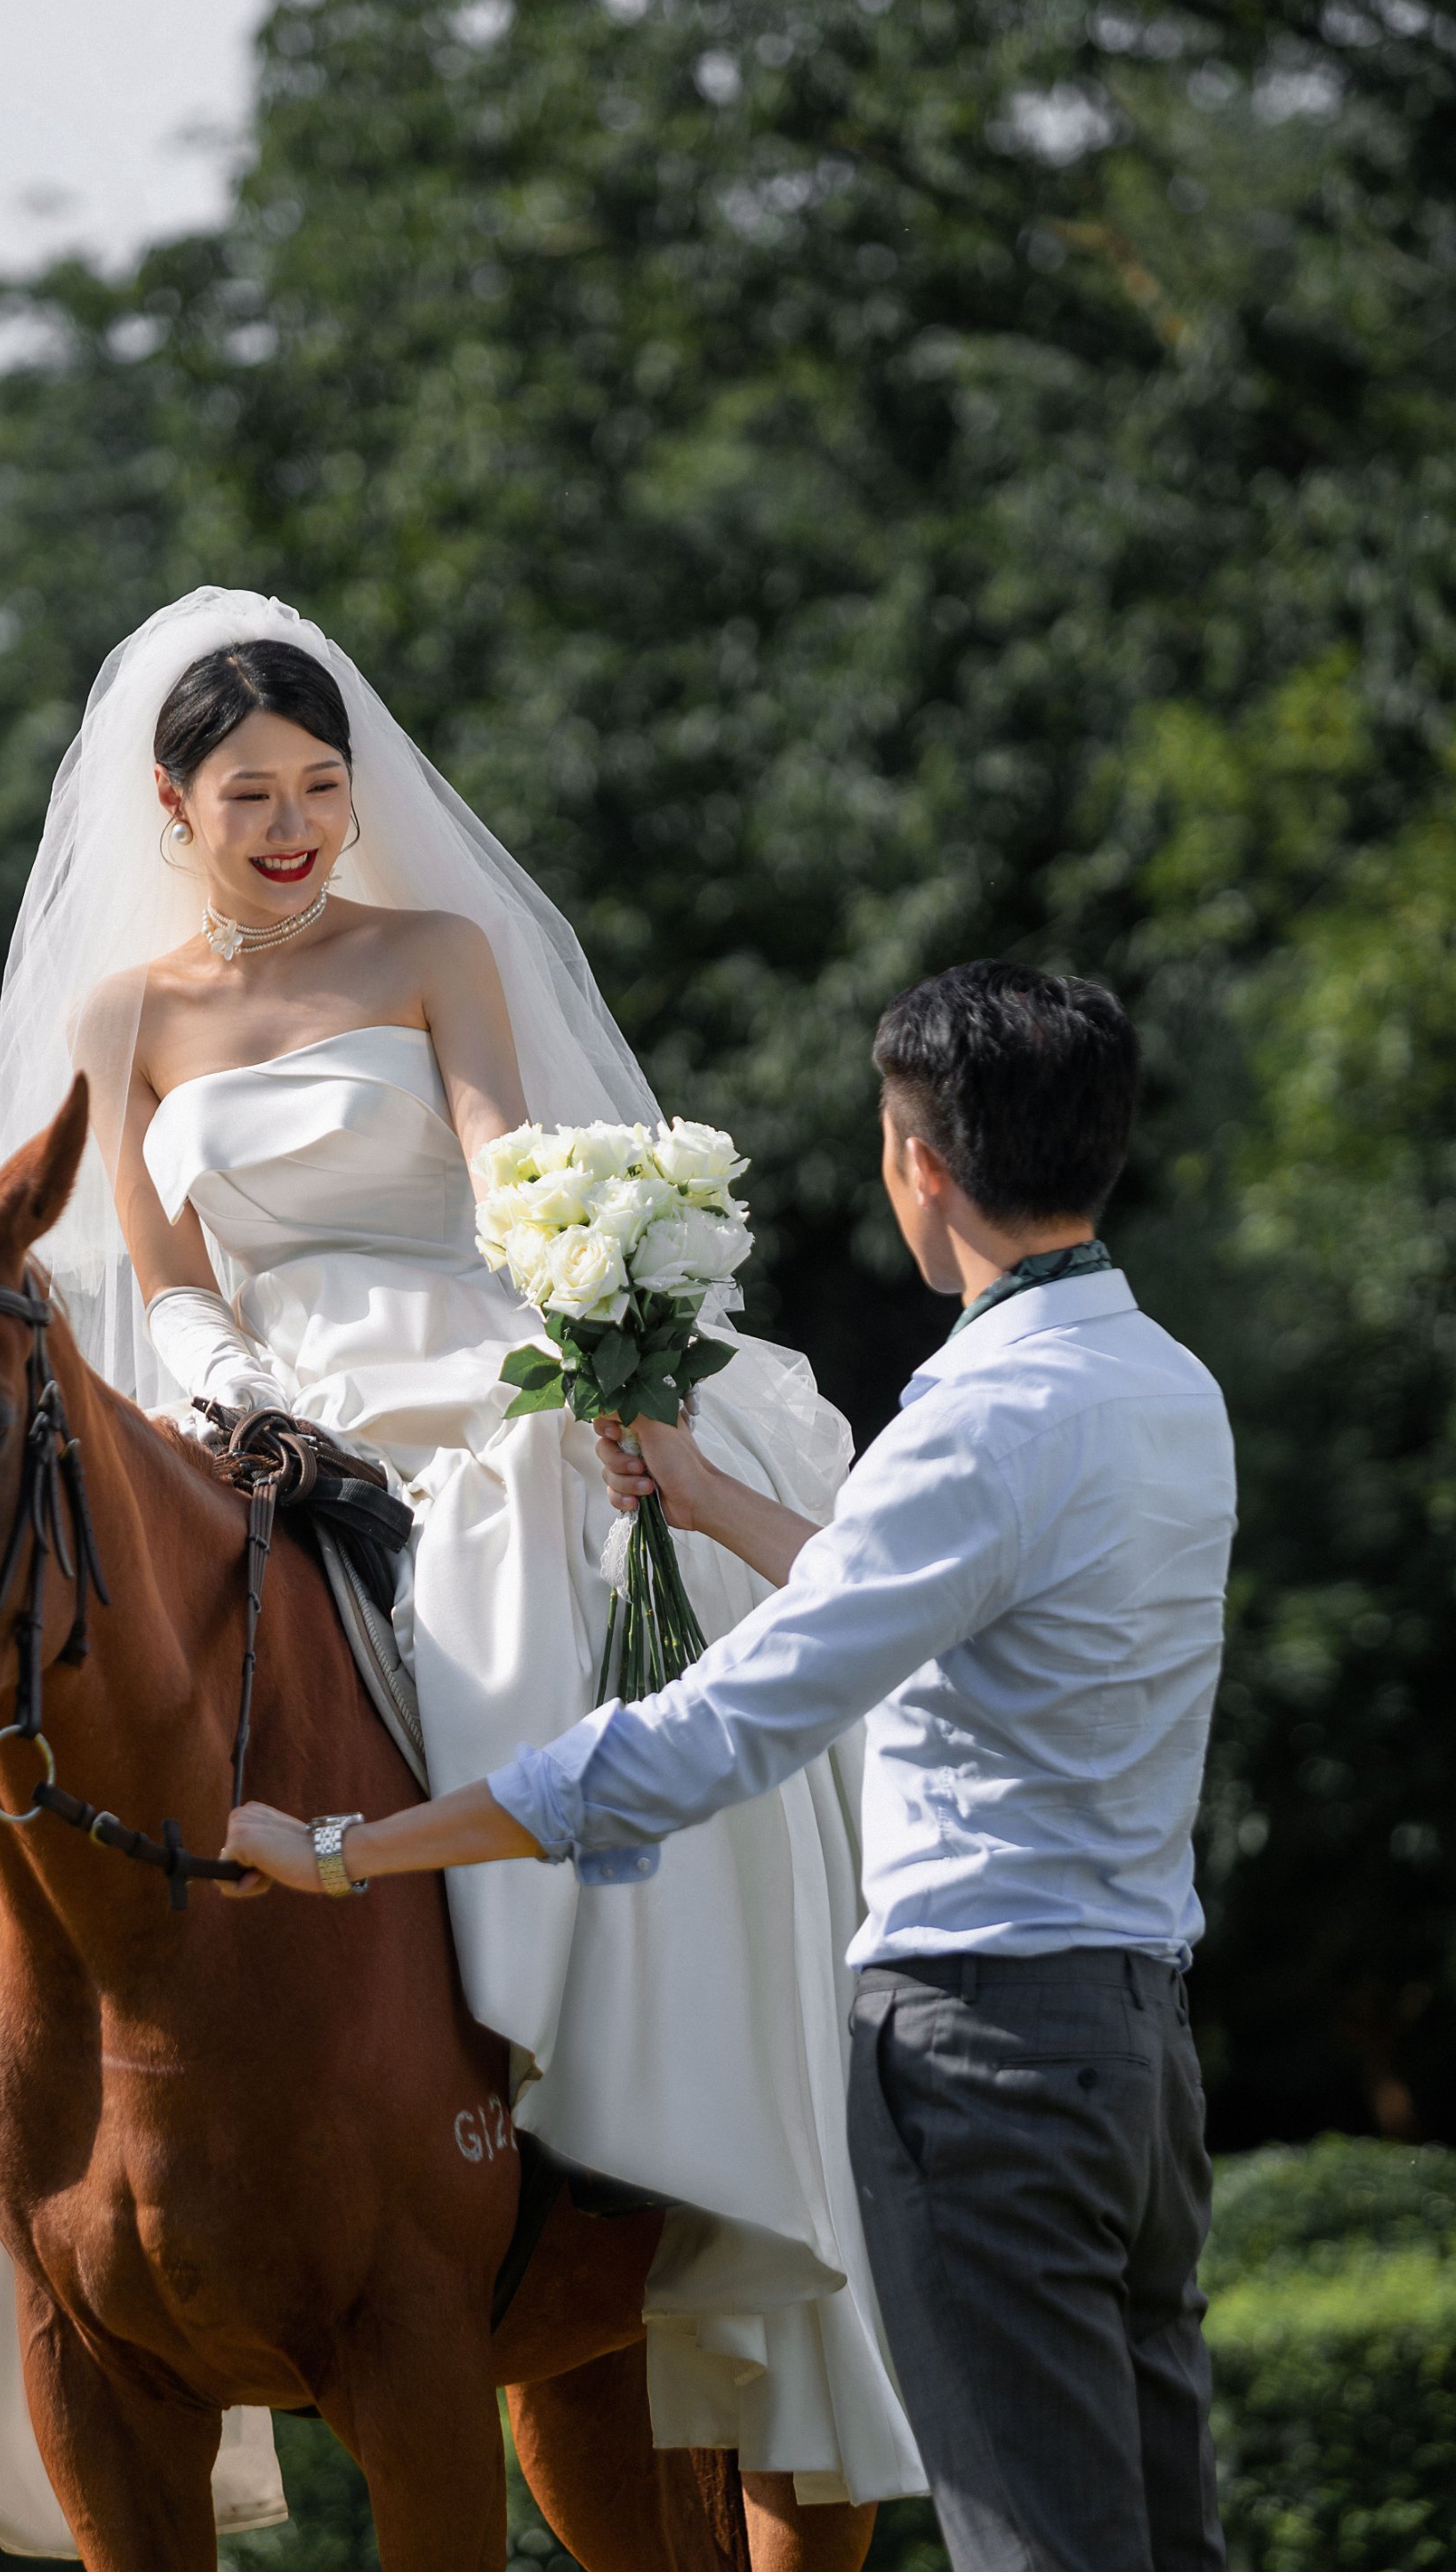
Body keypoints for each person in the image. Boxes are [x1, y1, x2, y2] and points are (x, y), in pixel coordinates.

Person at [0, 585, 922, 2545]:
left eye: (322, 785)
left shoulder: (434, 946)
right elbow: (161, 1277)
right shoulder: (127, 1017)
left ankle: (592, 2091)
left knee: (528, 1593)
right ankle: (11, 2158)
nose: (292, 825)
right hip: (245, 1413)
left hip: (458, 1365)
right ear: (168, 808)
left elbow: (505, 1166)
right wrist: (242, 1396)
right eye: (249, 792)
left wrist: (590, 1299)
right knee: (34, 1685)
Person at [231, 961, 1237, 2572]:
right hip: (1138, 2048)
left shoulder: (971, 1424)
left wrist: (348, 1849)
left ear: (918, 1163)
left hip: (975, 2053)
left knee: (1036, 2547)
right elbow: (938, 1586)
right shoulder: (1164, 1388)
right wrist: (710, 1504)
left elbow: (702, 1742)